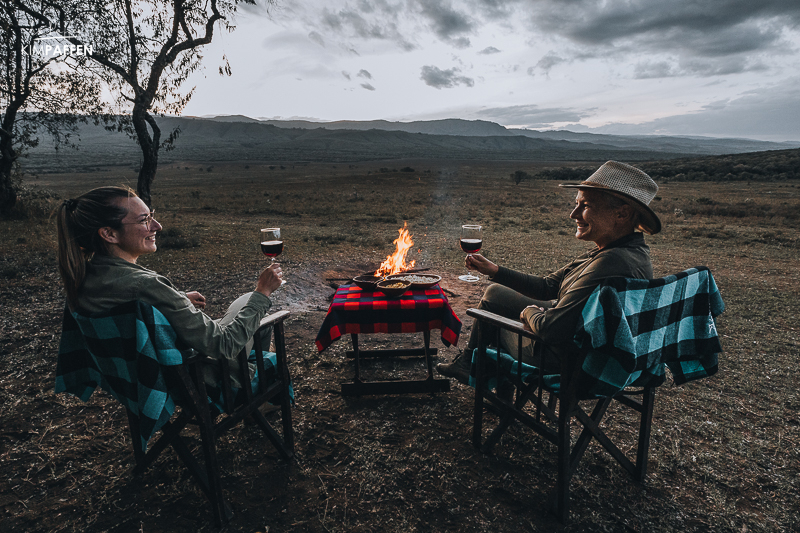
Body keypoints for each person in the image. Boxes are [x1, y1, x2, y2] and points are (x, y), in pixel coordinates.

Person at [437, 160, 661, 384]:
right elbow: (547, 286)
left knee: (492, 319)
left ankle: (473, 366)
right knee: (495, 292)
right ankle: (470, 365)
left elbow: (551, 328)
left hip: (566, 357)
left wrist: (529, 313)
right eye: (576, 204)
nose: (574, 214)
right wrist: (493, 270)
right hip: (580, 338)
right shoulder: (624, 251)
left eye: (586, 206)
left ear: (622, 214)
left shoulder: (611, 262)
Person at [56, 186, 283, 388]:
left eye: (152, 216)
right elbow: (222, 345)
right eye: (144, 219)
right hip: (199, 378)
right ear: (109, 234)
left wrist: (174, 301)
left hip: (141, 381)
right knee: (253, 306)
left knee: (245, 303)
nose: (157, 226)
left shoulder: (85, 278)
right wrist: (263, 291)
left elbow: (133, 305)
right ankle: (254, 387)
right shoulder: (145, 285)